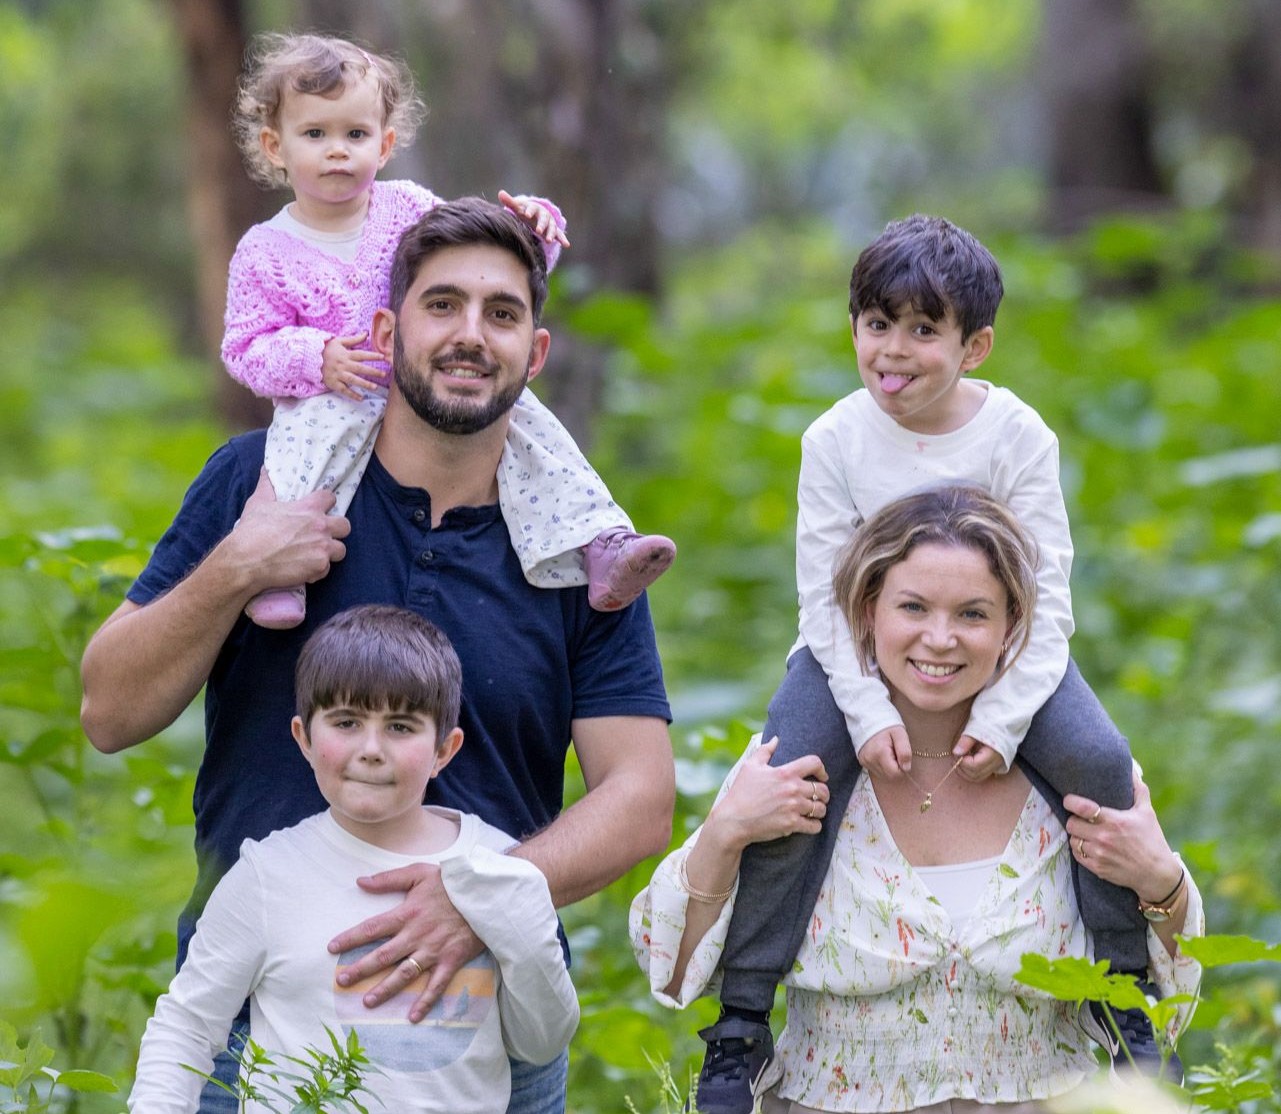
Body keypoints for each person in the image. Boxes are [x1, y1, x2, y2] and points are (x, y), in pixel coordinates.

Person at [81, 197, 675, 1114]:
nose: (470, 335)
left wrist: (483, 891)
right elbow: (110, 712)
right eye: (442, 305)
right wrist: (239, 563)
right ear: (387, 327)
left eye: (502, 313)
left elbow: (638, 800)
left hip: (489, 1039)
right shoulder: (262, 481)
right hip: (259, 1010)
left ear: (537, 351)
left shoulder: (579, 548)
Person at [691, 215, 1165, 1113]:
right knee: (789, 780)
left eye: (921, 330)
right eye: (876, 324)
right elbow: (823, 600)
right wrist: (865, 715)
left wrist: (1003, 717)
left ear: (973, 345)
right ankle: (742, 1016)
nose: (892, 352)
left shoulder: (1017, 436)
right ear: (853, 326)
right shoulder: (832, 439)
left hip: (1010, 653)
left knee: (1099, 764)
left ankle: (1123, 999)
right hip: (850, 657)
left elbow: (1047, 597)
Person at [633, 486, 1203, 1114]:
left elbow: (1171, 991)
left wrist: (1162, 882)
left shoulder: (1068, 780)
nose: (940, 638)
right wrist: (725, 832)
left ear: (1012, 625)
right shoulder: (794, 770)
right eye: (913, 607)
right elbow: (671, 962)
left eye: (972, 614)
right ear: (868, 611)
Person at [224, 32, 674, 627]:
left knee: (536, 432)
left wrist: (531, 230)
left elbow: (471, 258)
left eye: (355, 134)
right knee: (297, 461)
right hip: (336, 393)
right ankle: (284, 576)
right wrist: (316, 356)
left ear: (383, 145)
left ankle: (599, 542)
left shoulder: (406, 208)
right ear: (274, 146)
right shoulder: (264, 251)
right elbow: (246, 345)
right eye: (315, 134)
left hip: (429, 386)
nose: (337, 150)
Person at [129, 605, 580, 1114]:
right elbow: (186, 1025)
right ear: (303, 737)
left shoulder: (499, 865)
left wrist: (516, 907)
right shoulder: (267, 875)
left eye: (401, 727)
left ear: (443, 750)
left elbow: (542, 1040)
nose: (371, 749)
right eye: (346, 722)